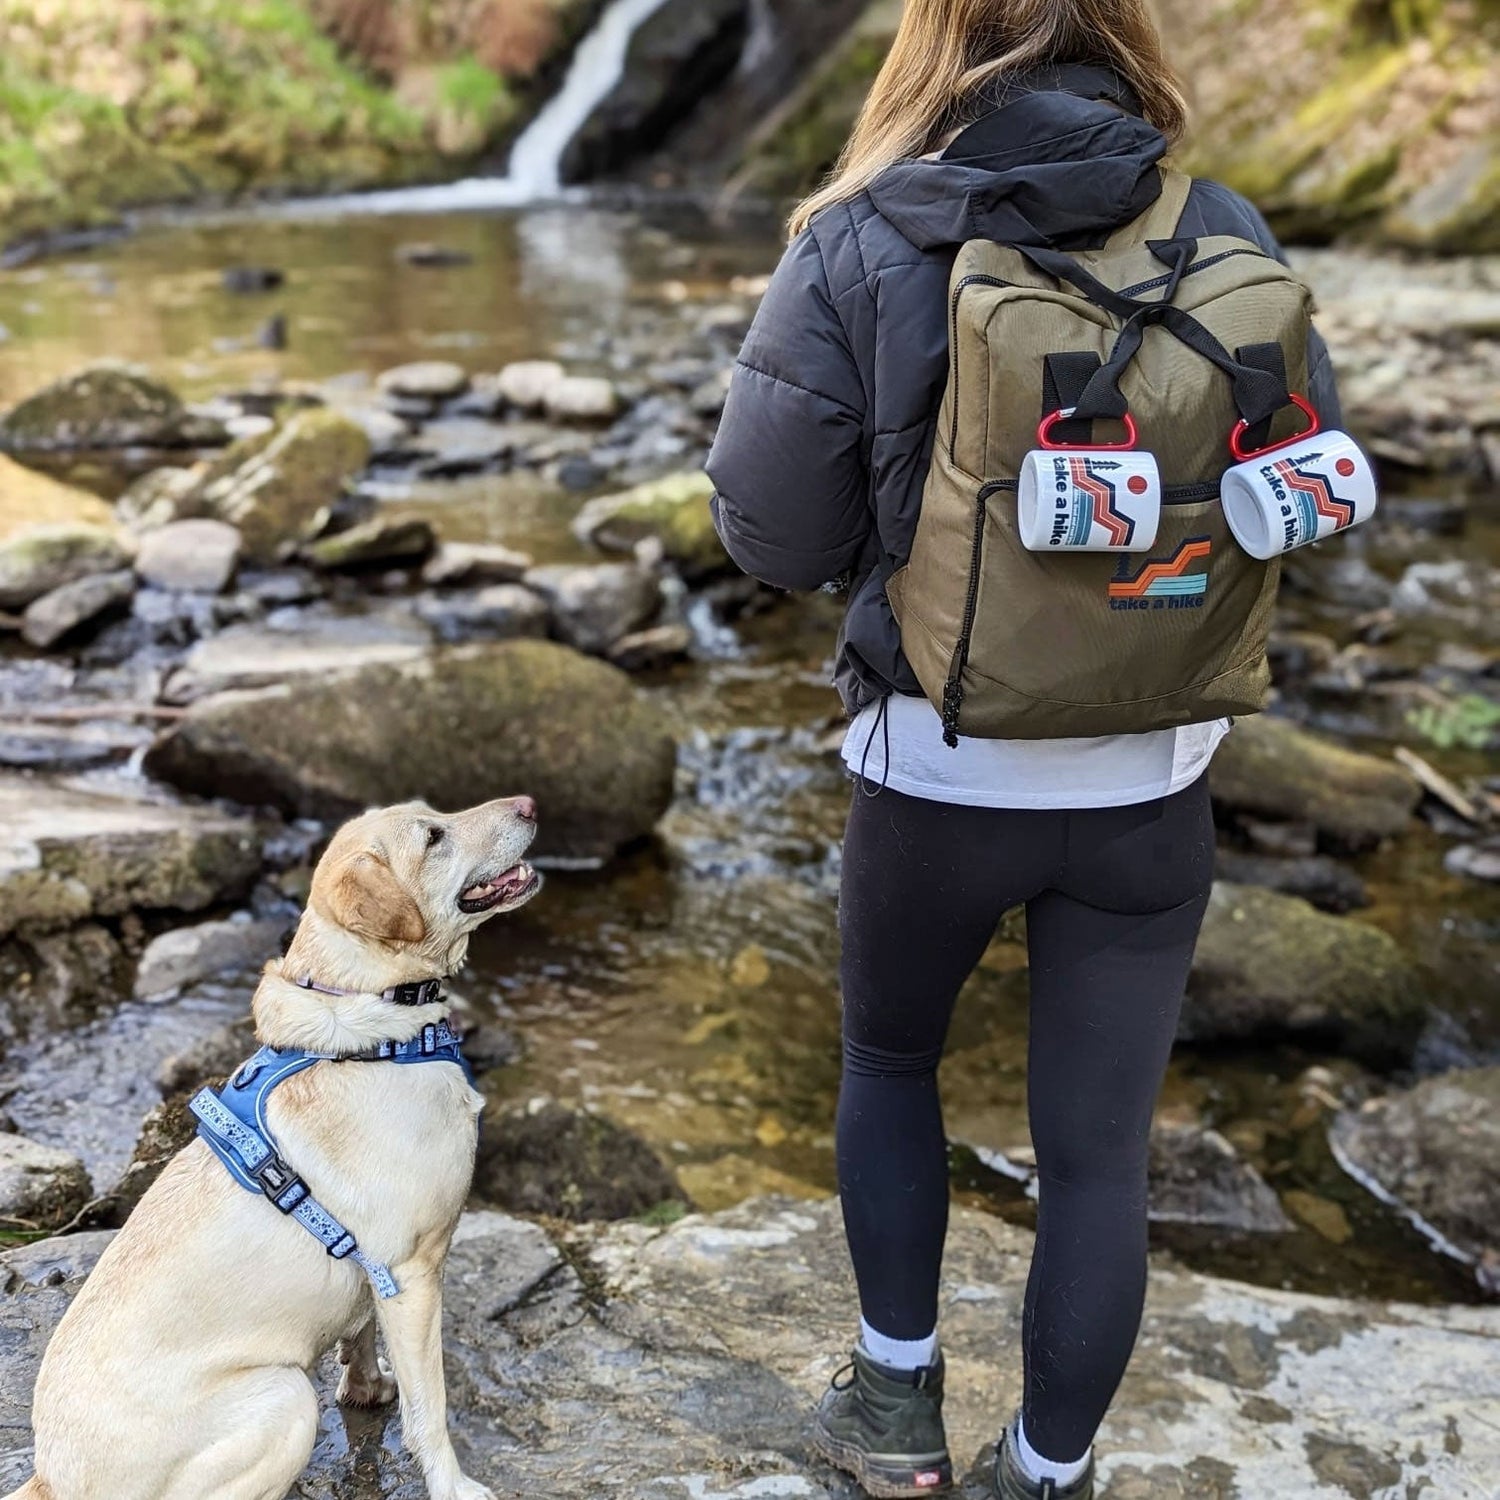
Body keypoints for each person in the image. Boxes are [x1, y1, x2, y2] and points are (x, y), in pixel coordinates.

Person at [706, 2, 1342, 1497]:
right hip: (1153, 782)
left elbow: (772, 533)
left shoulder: (865, 234)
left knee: (888, 1059)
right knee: (1101, 1159)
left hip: (935, 765)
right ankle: (1046, 1474)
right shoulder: (1218, 219)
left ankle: (894, 1413)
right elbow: (1293, 473)